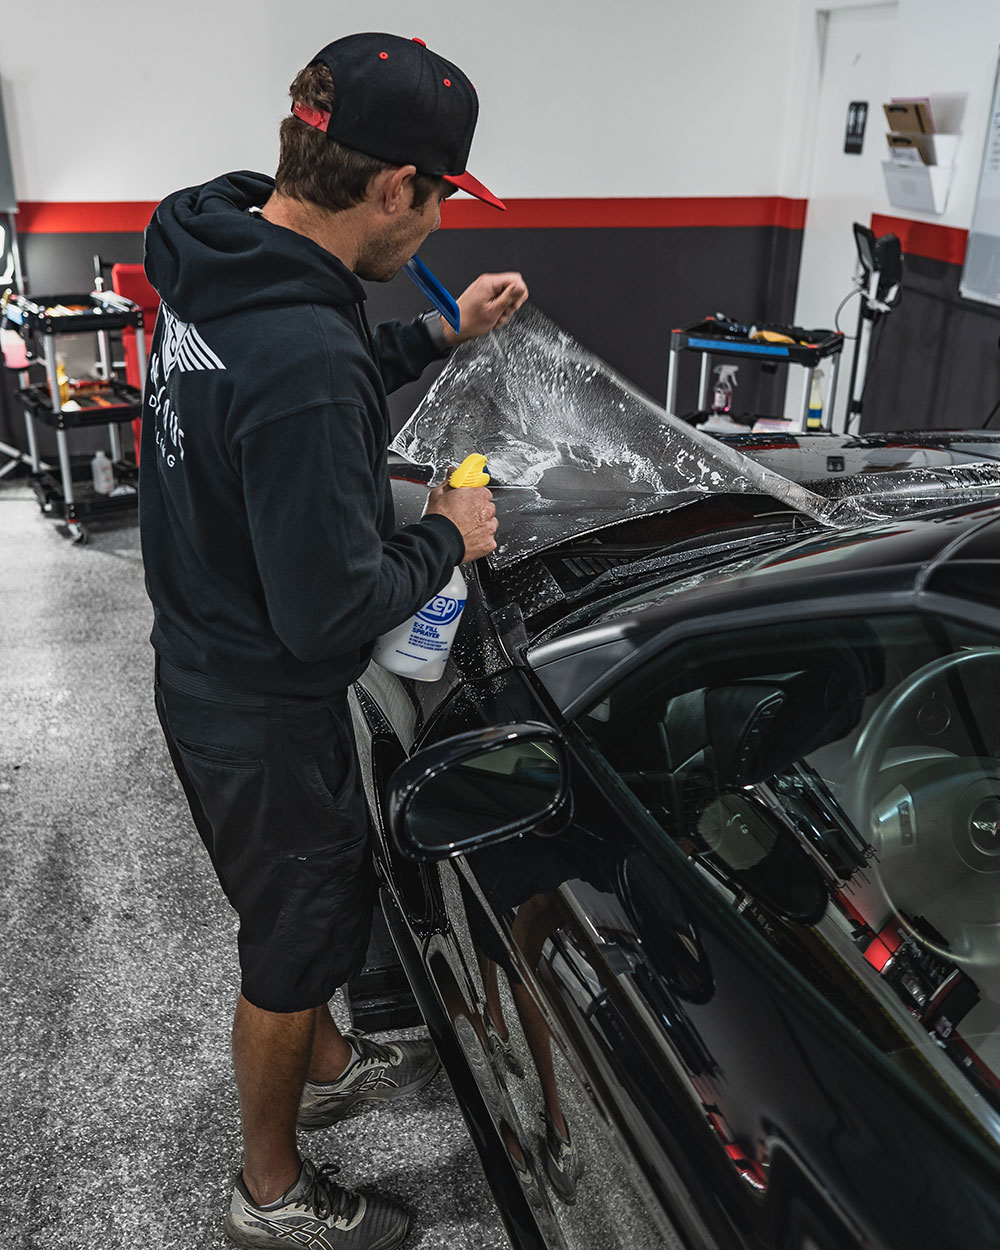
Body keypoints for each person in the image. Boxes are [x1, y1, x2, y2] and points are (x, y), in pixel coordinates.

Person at [138, 31, 528, 1250]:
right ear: (394, 186)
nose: (431, 232)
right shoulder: (301, 344)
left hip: (200, 658)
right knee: (295, 931)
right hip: (264, 696)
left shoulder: (218, 244)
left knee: (293, 897)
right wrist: (452, 536)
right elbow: (331, 605)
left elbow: (294, 387)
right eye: (436, 202)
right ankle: (272, 1190)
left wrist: (433, 333)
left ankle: (324, 1058)